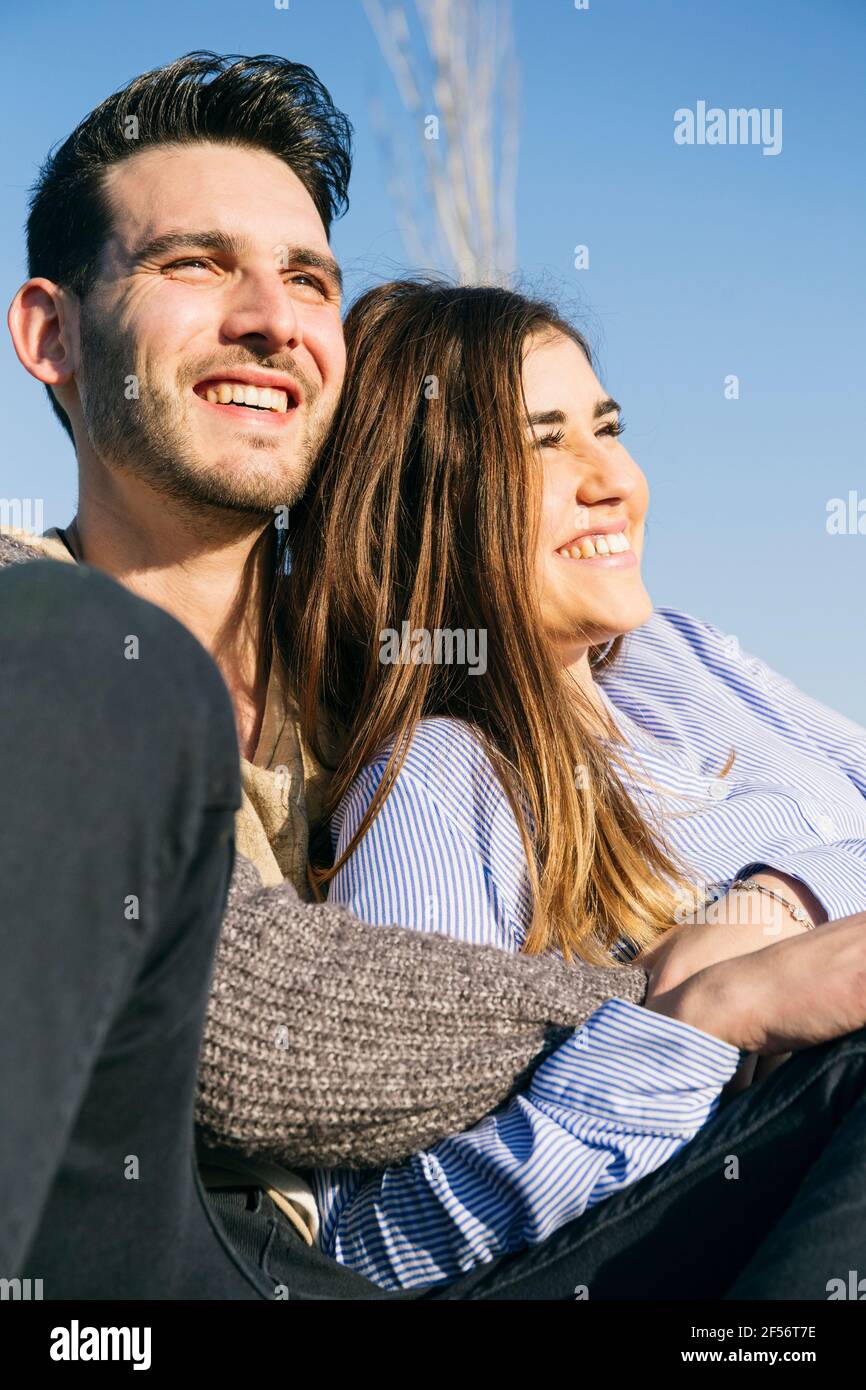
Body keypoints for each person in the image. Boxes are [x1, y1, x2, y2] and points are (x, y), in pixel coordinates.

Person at [3, 50, 866, 1303]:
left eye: (307, 279)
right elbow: (234, 1013)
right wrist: (674, 1001)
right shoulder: (38, 643)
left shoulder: (407, 673)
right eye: (193, 263)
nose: (270, 317)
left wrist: (772, 902)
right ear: (52, 334)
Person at [279, 279, 866, 1293]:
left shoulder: (679, 657)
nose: (611, 479)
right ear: (429, 505)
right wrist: (706, 1017)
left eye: (606, 426)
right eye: (541, 444)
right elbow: (368, 1251)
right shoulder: (435, 780)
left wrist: (778, 901)